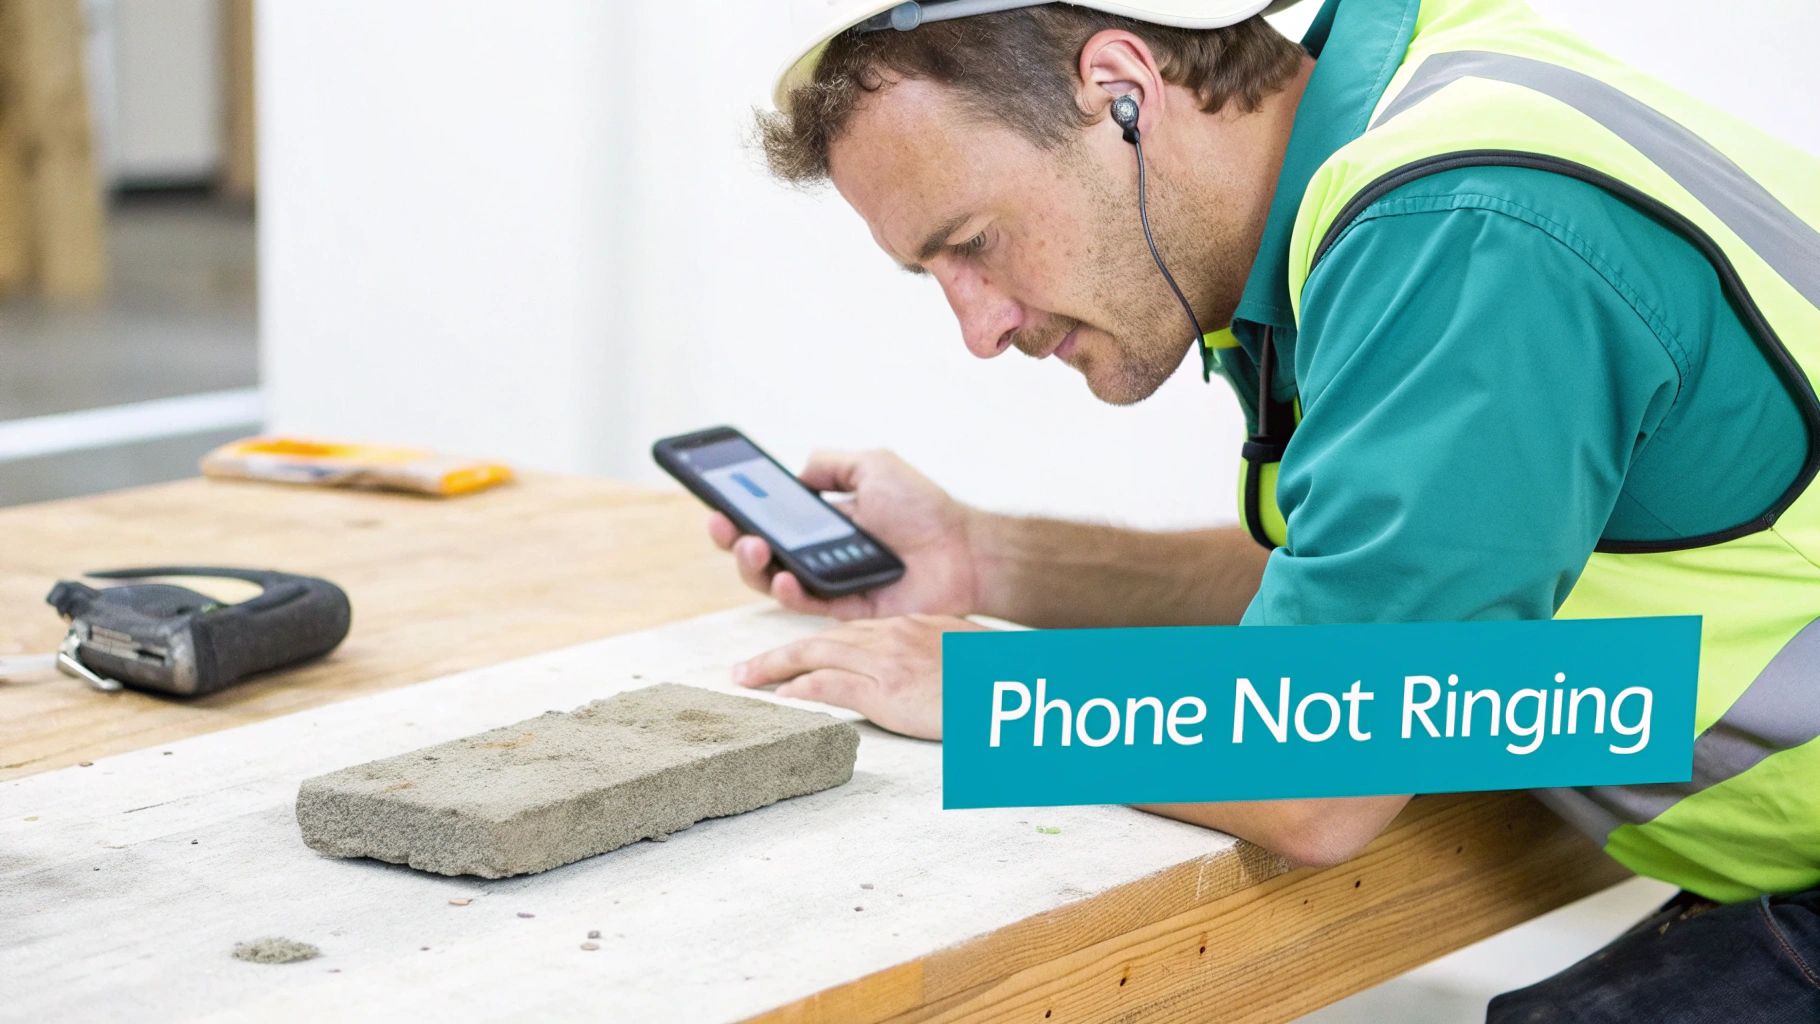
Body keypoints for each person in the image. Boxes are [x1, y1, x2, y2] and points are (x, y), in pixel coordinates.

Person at [708, 0, 1820, 1017]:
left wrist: (985, 696)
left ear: (1118, 89)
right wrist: (986, 559)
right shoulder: (1394, 130)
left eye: (972, 242)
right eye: (931, 274)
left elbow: (1323, 767)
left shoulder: (1459, 226)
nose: (978, 327)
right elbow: (1370, 602)